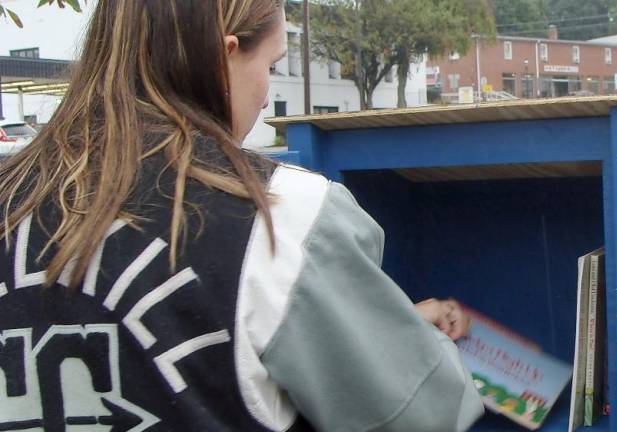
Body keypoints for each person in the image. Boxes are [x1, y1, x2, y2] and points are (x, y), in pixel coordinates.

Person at [0, 1, 483, 431]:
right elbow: (421, 414)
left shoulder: (11, 192)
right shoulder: (280, 213)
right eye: (271, 64)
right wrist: (417, 351)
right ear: (222, 57)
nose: (266, 90)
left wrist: (390, 326)